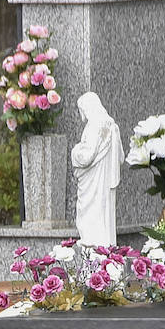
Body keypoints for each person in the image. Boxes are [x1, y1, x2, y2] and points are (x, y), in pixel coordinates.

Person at [70, 91, 122, 246]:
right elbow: (120, 156)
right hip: (101, 180)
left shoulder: (95, 125)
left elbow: (87, 157)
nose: (84, 114)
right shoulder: (110, 124)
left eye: (84, 110)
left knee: (91, 212)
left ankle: (95, 245)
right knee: (101, 212)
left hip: (95, 180)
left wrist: (75, 151)